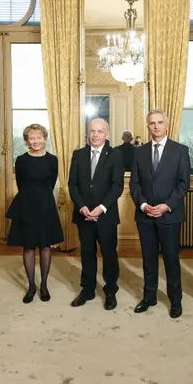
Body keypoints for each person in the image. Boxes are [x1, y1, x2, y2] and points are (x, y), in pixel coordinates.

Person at [129, 110, 190, 319]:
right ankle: (149, 297)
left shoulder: (180, 150)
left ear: (167, 124)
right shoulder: (139, 152)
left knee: (171, 261)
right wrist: (143, 205)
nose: (156, 126)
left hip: (169, 215)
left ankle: (175, 301)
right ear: (148, 126)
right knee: (148, 260)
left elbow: (183, 184)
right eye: (152, 123)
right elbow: (134, 184)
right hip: (145, 215)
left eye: (160, 122)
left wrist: (167, 205)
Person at [68, 118, 124, 310]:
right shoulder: (78, 154)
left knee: (109, 254)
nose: (95, 135)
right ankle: (87, 290)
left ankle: (111, 290)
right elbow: (72, 184)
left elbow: (117, 186)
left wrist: (101, 208)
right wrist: (81, 207)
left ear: (107, 134)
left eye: (100, 131)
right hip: (83, 214)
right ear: (88, 133)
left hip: (105, 215)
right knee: (87, 253)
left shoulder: (115, 155)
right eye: (92, 131)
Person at [6, 124, 64, 303]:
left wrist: (41, 197)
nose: (36, 141)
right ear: (27, 141)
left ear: (44, 138)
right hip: (26, 205)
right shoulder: (21, 160)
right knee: (28, 246)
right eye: (32, 138)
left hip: (46, 205)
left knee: (45, 245)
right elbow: (21, 184)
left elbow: (51, 182)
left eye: (39, 137)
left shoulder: (52, 160)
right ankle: (31, 286)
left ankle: (44, 285)